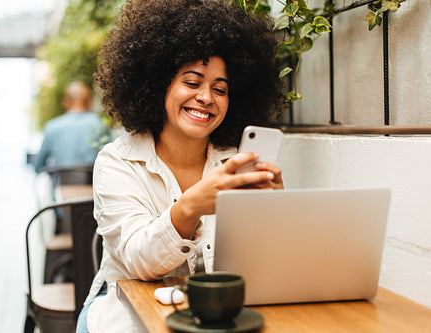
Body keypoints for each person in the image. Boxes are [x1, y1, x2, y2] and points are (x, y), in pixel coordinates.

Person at [77, 1, 285, 332]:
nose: (206, 97)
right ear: (160, 84)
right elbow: (138, 262)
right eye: (192, 82)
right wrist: (190, 207)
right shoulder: (118, 162)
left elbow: (261, 266)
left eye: (220, 89)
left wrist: (273, 212)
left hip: (214, 315)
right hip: (127, 314)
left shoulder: (237, 162)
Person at [34, 81, 106, 173]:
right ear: (89, 101)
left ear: (65, 101)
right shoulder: (101, 125)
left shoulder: (52, 127)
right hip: (93, 185)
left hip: (61, 185)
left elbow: (38, 166)